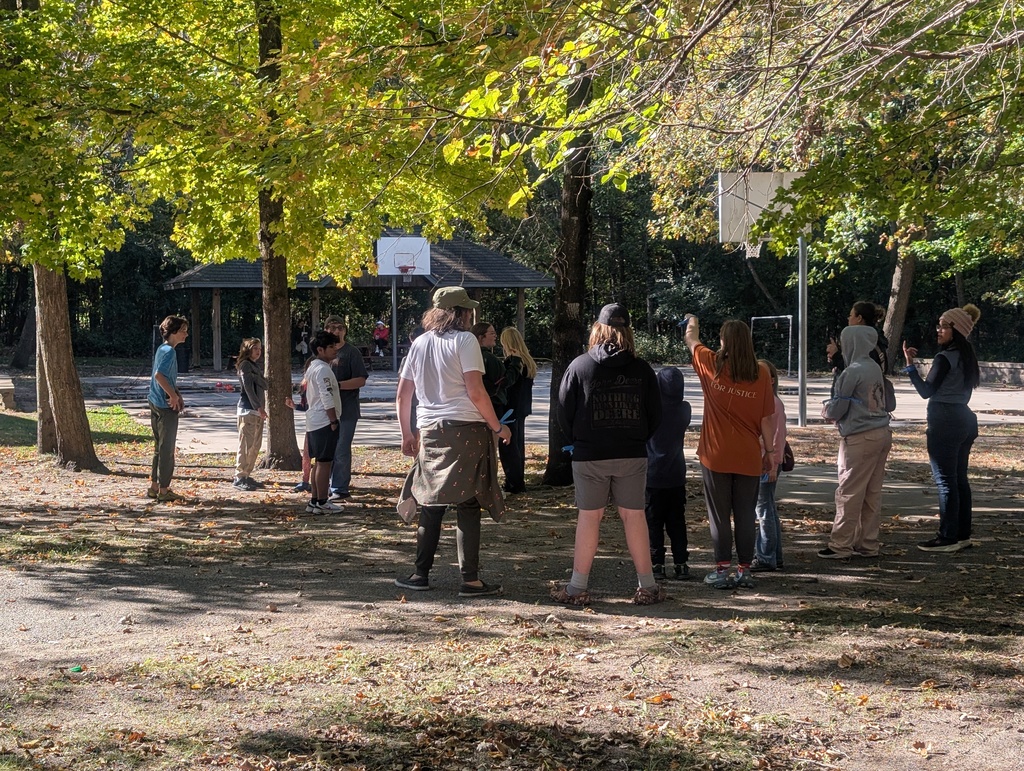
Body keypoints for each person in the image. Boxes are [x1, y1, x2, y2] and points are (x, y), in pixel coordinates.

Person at [395, 286, 511, 597]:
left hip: (431, 431)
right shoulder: (466, 340)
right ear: (457, 313)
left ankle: (420, 574)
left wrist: (407, 433)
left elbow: (403, 394)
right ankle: (470, 580)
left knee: (431, 501)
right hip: (467, 428)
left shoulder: (418, 344)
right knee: (469, 502)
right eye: (467, 310)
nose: (471, 315)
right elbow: (475, 391)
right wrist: (497, 426)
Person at [552, 303, 664, 606]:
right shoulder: (642, 370)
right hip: (631, 453)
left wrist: (579, 438)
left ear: (596, 330)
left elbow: (563, 411)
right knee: (634, 516)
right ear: (627, 331)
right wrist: (636, 437)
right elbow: (655, 415)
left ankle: (577, 587)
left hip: (589, 454)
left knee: (589, 518)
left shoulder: (579, 366)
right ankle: (648, 586)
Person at [683, 315, 775, 590]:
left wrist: (693, 320)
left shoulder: (712, 364)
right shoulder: (761, 373)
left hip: (715, 454)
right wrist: (770, 452)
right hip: (748, 454)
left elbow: (691, 339)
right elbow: (767, 418)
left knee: (719, 515)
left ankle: (722, 569)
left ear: (724, 341)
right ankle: (745, 570)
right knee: (746, 514)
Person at [902, 304, 982, 553]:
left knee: (946, 481)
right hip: (965, 419)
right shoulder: (966, 356)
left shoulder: (944, 357)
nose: (939, 330)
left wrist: (910, 366)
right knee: (959, 480)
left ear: (956, 329)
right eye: (939, 325)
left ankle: (947, 538)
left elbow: (926, 391)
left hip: (945, 420)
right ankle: (962, 534)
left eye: (944, 326)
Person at [817, 324, 893, 559]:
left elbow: (839, 406)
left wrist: (826, 411)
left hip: (859, 436)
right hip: (881, 432)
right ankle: (868, 543)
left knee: (848, 492)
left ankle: (840, 545)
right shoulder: (874, 367)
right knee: (872, 492)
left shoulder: (852, 371)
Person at [645, 366, 693, 581]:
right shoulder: (684, 409)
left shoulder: (651, 409)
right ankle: (681, 562)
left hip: (652, 473)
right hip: (676, 472)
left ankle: (656, 563)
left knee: (653, 521)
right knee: (677, 520)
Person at [324, 316, 369, 502]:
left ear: (345, 330)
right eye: (332, 328)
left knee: (341, 448)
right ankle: (322, 486)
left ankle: (340, 488)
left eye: (340, 328)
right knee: (326, 449)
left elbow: (361, 379)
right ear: (326, 330)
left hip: (347, 409)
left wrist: (337, 385)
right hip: (326, 409)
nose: (336, 331)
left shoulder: (352, 352)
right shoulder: (322, 352)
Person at [147, 315, 189, 502]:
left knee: (159, 447)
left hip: (155, 402)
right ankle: (164, 490)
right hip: (164, 407)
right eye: (183, 331)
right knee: (167, 449)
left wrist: (177, 394)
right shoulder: (169, 352)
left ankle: (154, 487)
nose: (186, 334)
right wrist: (172, 397)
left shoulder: (163, 349)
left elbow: (168, 378)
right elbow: (159, 376)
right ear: (173, 332)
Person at [752, 360, 787, 572]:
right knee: (768, 508)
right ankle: (775, 555)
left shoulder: (773, 403)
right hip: (764, 461)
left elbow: (778, 437)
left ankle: (766, 556)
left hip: (767, 462)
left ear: (771, 379)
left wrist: (773, 464)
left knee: (763, 509)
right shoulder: (764, 402)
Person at [304, 329, 344, 515]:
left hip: (314, 420)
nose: (335, 349)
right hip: (324, 421)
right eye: (330, 347)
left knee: (318, 462)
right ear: (320, 350)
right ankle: (322, 501)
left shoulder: (313, 367)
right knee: (324, 462)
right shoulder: (322, 369)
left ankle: (314, 500)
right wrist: (333, 420)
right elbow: (327, 396)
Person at [498, 327, 537, 494]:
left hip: (510, 410)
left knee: (508, 447)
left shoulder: (512, 363)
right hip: (522, 408)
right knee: (518, 445)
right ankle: (517, 480)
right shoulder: (528, 362)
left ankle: (513, 483)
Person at [233, 337, 268, 491]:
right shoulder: (245, 365)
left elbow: (266, 384)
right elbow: (248, 387)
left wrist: (257, 377)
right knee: (246, 445)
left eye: (260, 348)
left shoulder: (255, 366)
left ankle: (247, 474)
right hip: (248, 409)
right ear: (247, 349)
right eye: (255, 348)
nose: (258, 351)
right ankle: (239, 477)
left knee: (255, 445)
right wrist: (258, 407)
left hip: (256, 411)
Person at [827, 301, 889, 387]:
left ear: (859, 318)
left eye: (851, 315)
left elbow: (855, 371)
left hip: (860, 395)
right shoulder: (874, 339)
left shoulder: (867, 342)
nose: (848, 318)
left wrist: (836, 356)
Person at [470, 321, 510, 431]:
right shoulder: (489, 358)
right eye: (492, 333)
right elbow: (504, 381)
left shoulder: (470, 356)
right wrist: (515, 364)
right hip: (494, 406)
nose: (495, 336)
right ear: (481, 337)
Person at [284, 366, 312, 494]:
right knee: (306, 454)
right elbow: (305, 406)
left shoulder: (325, 379)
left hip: (324, 421)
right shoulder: (305, 384)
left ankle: (326, 483)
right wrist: (294, 406)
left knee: (324, 456)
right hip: (312, 423)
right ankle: (305, 481)